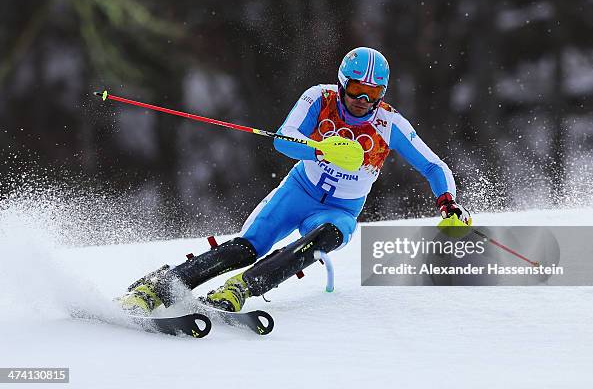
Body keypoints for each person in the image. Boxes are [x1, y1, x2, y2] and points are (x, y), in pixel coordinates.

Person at [119, 47, 470, 314]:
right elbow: (283, 138)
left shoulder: (390, 124)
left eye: (374, 94)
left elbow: (434, 166)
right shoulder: (320, 98)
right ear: (342, 83)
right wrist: (321, 150)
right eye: (357, 91)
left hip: (340, 210)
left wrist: (448, 203)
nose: (364, 102)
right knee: (248, 247)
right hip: (298, 191)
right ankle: (161, 287)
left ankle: (240, 290)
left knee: (325, 239)